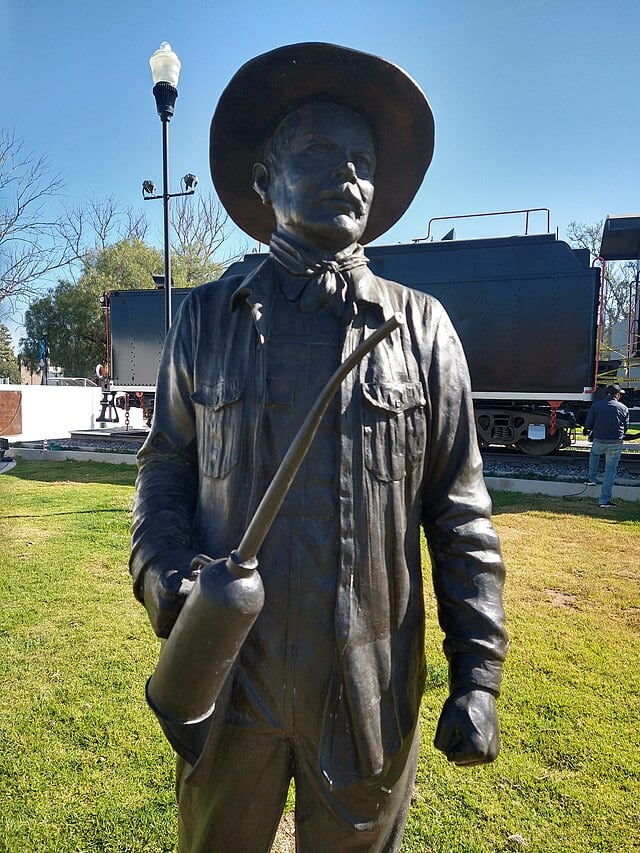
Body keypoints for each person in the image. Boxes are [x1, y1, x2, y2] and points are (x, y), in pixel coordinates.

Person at [130, 43, 508, 853]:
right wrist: (164, 576)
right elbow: (163, 467)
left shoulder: (423, 330)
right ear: (264, 180)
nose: (349, 174)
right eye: (319, 151)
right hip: (231, 687)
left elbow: (461, 514)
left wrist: (478, 673)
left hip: (367, 699)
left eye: (364, 160)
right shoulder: (203, 319)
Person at [585, 383, 629, 508]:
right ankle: (604, 501)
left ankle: (592, 479)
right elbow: (625, 428)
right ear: (617, 394)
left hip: (599, 440)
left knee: (594, 454)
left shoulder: (596, 405)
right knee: (610, 471)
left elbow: (588, 424)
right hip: (615, 442)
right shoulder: (624, 408)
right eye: (620, 394)